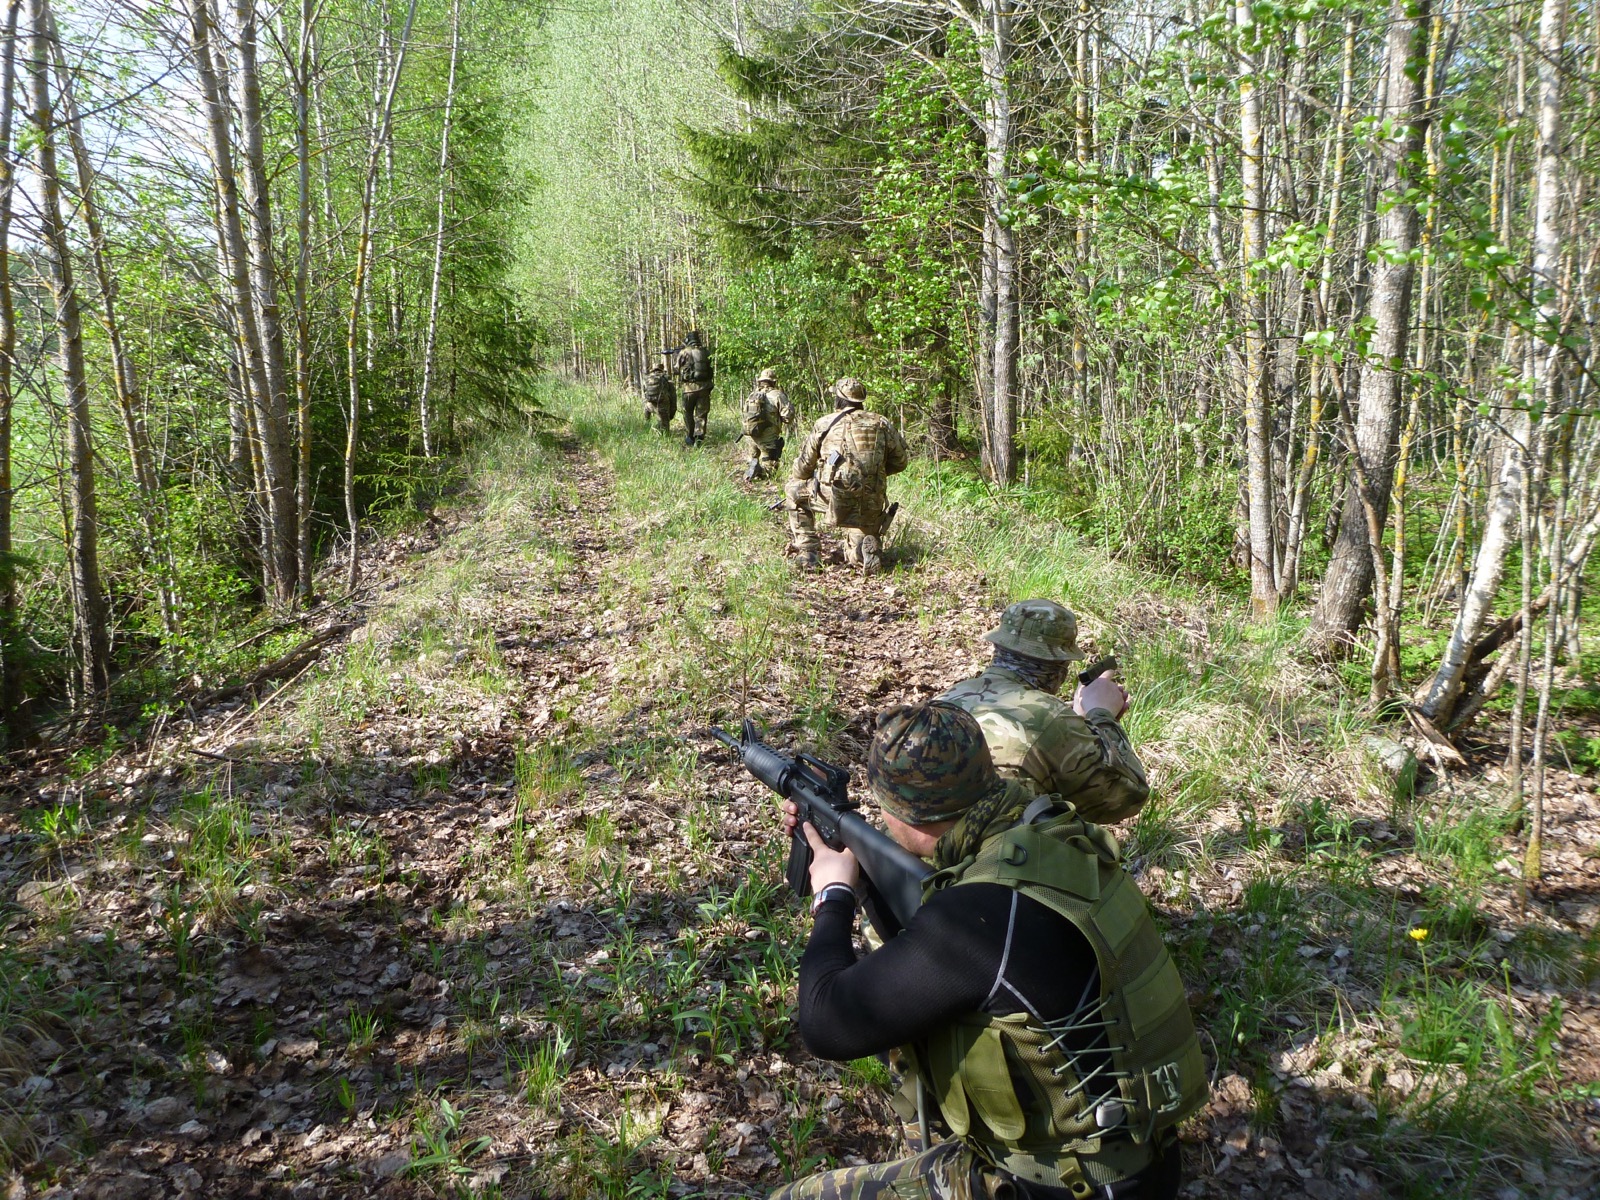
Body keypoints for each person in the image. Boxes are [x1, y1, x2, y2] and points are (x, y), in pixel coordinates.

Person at [773, 701, 1206, 1200]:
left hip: (1060, 1185)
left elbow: (827, 1023)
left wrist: (834, 893)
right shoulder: (1048, 834)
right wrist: (868, 877)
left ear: (904, 814)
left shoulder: (974, 917)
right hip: (1142, 1161)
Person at [940, 599, 1150, 826]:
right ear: (1060, 667)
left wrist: (1076, 722)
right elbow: (1128, 796)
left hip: (916, 848)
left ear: (998, 648)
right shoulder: (1052, 720)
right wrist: (1101, 714)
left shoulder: (949, 696)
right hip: (989, 857)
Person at [785, 376, 908, 574]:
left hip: (836, 497)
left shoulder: (825, 423)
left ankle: (808, 552)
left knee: (793, 492)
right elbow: (901, 462)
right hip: (872, 499)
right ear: (861, 399)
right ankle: (861, 553)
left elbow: (803, 468)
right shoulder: (882, 423)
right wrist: (877, 474)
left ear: (838, 399)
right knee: (858, 543)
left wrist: (807, 475)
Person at [741, 367, 795, 480]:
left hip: (751, 436)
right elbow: (787, 417)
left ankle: (754, 466)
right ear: (774, 382)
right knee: (770, 471)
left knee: (753, 457)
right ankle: (760, 471)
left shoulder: (752, 395)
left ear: (760, 381)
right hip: (768, 438)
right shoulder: (778, 395)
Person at [675, 330, 714, 446]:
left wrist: (677, 356)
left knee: (687, 412)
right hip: (704, 388)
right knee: (701, 414)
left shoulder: (684, 352)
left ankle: (689, 436)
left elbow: (676, 369)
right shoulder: (706, 352)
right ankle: (699, 437)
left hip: (689, 389)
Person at [641, 360, 677, 434]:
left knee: (647, 417)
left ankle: (647, 428)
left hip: (649, 405)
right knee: (665, 427)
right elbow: (673, 395)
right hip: (662, 404)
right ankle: (665, 438)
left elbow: (644, 394)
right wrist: (672, 412)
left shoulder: (647, 378)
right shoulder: (666, 378)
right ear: (662, 369)